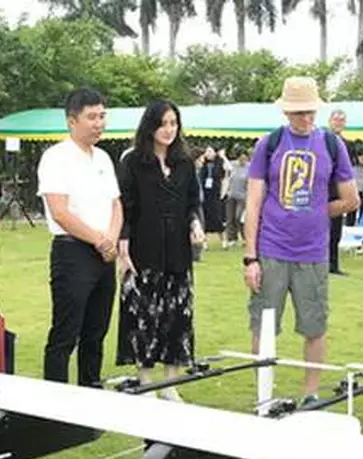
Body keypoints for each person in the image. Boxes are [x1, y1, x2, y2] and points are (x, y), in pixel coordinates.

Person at [243, 76, 359, 406]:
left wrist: (319, 210)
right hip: (271, 249)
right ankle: (264, 393)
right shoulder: (270, 144)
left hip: (313, 252)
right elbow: (252, 203)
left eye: (310, 112)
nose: (305, 119)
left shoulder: (332, 145)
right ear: (286, 113)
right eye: (298, 113)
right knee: (263, 326)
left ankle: (310, 392)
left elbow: (351, 199)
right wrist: (250, 258)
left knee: (314, 326)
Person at [115, 100, 206, 401]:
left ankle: (169, 384)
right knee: (142, 315)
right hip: (143, 249)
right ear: (150, 125)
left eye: (173, 123)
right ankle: (144, 379)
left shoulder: (184, 162)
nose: (168, 130)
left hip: (178, 252)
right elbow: (125, 206)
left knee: (177, 316)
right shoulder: (132, 162)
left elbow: (192, 202)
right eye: (163, 123)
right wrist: (123, 243)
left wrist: (195, 224)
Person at [38, 88, 123, 388]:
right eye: (91, 117)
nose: (99, 123)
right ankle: (55, 403)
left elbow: (116, 204)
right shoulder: (56, 158)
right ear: (72, 121)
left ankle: (90, 389)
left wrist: (111, 238)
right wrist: (98, 240)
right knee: (66, 332)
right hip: (73, 253)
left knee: (96, 331)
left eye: (102, 116)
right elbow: (60, 212)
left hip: (105, 255)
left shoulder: (102, 158)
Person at [327, 108, 352, 276]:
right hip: (324, 190)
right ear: (330, 121)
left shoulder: (347, 145)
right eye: (336, 119)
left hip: (340, 191)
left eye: (341, 120)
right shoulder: (323, 141)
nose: (338, 123)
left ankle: (333, 264)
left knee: (336, 230)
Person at [198, 146, 226, 246]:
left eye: (210, 151)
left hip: (215, 193)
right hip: (205, 194)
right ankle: (204, 241)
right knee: (205, 217)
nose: (208, 153)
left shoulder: (220, 162)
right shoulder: (202, 163)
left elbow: (227, 172)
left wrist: (223, 157)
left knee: (217, 216)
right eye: (207, 151)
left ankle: (223, 240)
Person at [224, 151, 250, 246]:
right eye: (241, 159)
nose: (243, 161)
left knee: (239, 217)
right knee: (230, 218)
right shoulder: (232, 165)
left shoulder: (250, 167)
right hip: (231, 195)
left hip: (243, 197)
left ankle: (244, 237)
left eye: (245, 159)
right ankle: (232, 238)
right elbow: (225, 170)